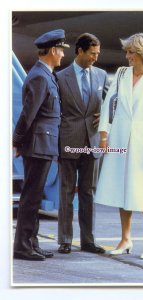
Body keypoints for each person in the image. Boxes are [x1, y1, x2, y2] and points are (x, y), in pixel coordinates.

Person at [94, 33, 143, 259]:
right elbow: (108, 104)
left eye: (130, 52)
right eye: (127, 52)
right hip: (119, 137)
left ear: (142, 52)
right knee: (122, 188)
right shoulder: (122, 74)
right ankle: (125, 239)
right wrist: (104, 135)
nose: (127, 56)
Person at [13, 29, 69, 261]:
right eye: (61, 51)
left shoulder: (45, 75)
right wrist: (16, 141)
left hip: (43, 144)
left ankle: (31, 243)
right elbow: (28, 114)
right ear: (53, 50)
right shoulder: (39, 76)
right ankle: (22, 247)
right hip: (37, 145)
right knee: (31, 198)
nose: (63, 56)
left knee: (34, 197)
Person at [57, 33, 109, 254]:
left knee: (88, 193)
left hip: (93, 141)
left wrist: (106, 116)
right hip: (69, 141)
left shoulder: (101, 75)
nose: (95, 58)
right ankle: (65, 240)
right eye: (92, 54)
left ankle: (88, 241)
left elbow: (111, 103)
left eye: (98, 54)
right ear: (80, 51)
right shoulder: (60, 77)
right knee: (66, 192)